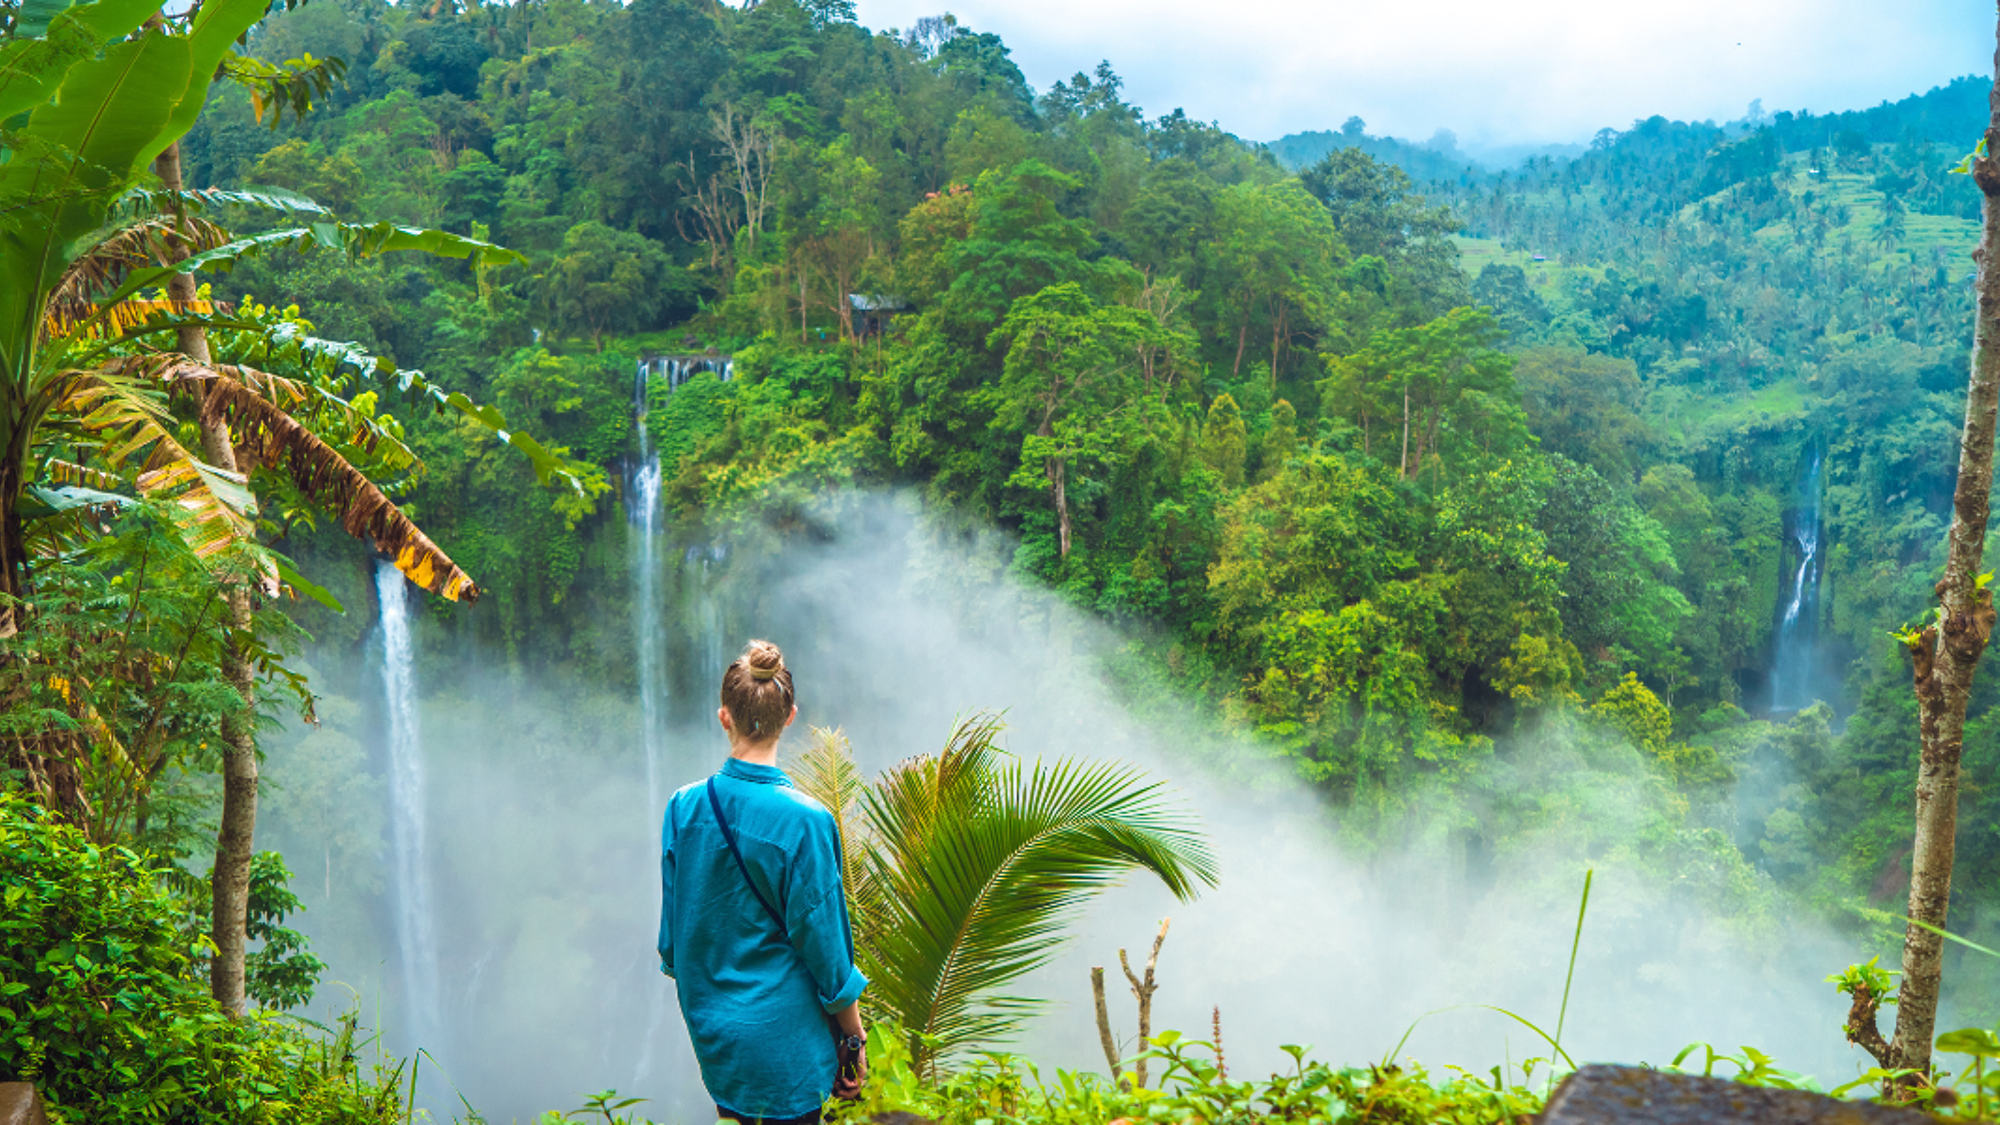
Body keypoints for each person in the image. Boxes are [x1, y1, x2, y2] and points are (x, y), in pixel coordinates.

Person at [658, 639, 869, 1125]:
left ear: (724, 717)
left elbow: (674, 942)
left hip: (716, 1042)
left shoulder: (682, 807)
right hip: (786, 1048)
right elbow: (829, 954)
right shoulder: (805, 822)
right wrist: (853, 1040)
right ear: (790, 716)